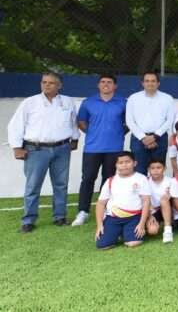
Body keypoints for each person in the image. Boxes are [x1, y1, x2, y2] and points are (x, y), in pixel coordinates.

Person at [8, 72, 79, 232]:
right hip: (36, 149)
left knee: (61, 184)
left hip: (62, 148)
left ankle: (60, 217)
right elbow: (15, 125)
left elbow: (73, 122)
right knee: (33, 186)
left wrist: (75, 139)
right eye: (44, 82)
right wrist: (17, 147)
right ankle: (28, 220)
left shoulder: (67, 102)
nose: (47, 85)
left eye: (51, 83)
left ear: (59, 85)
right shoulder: (30, 103)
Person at [73, 74, 127, 227]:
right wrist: (92, 132)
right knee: (88, 179)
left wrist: (119, 133)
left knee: (108, 180)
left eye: (109, 82)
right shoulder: (88, 102)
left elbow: (128, 122)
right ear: (98, 85)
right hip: (92, 148)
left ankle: (106, 209)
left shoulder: (123, 102)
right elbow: (81, 122)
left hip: (115, 148)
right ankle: (83, 211)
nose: (106, 84)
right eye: (103, 82)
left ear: (115, 86)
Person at [93, 151, 150, 249]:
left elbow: (146, 202)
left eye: (127, 162)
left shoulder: (141, 179)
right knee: (102, 245)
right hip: (113, 218)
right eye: (120, 163)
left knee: (133, 243)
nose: (124, 165)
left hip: (134, 217)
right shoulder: (110, 181)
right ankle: (118, 232)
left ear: (134, 163)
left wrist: (141, 224)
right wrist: (99, 225)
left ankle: (125, 232)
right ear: (116, 165)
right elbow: (101, 204)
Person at [125, 70, 175, 175]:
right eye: (147, 81)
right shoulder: (133, 98)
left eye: (153, 81)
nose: (150, 83)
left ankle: (157, 192)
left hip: (160, 139)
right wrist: (143, 137)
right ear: (142, 83)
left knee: (157, 171)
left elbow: (169, 120)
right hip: (138, 139)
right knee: (139, 171)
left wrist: (155, 137)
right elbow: (129, 121)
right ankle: (141, 192)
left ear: (158, 83)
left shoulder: (167, 98)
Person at [145, 159, 174, 243]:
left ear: (164, 168)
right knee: (152, 231)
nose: (156, 171)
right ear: (148, 170)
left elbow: (176, 199)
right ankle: (158, 223)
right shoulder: (145, 181)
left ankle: (168, 230)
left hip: (169, 208)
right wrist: (149, 215)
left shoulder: (170, 181)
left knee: (164, 200)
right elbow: (144, 201)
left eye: (159, 167)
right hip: (153, 210)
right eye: (152, 168)